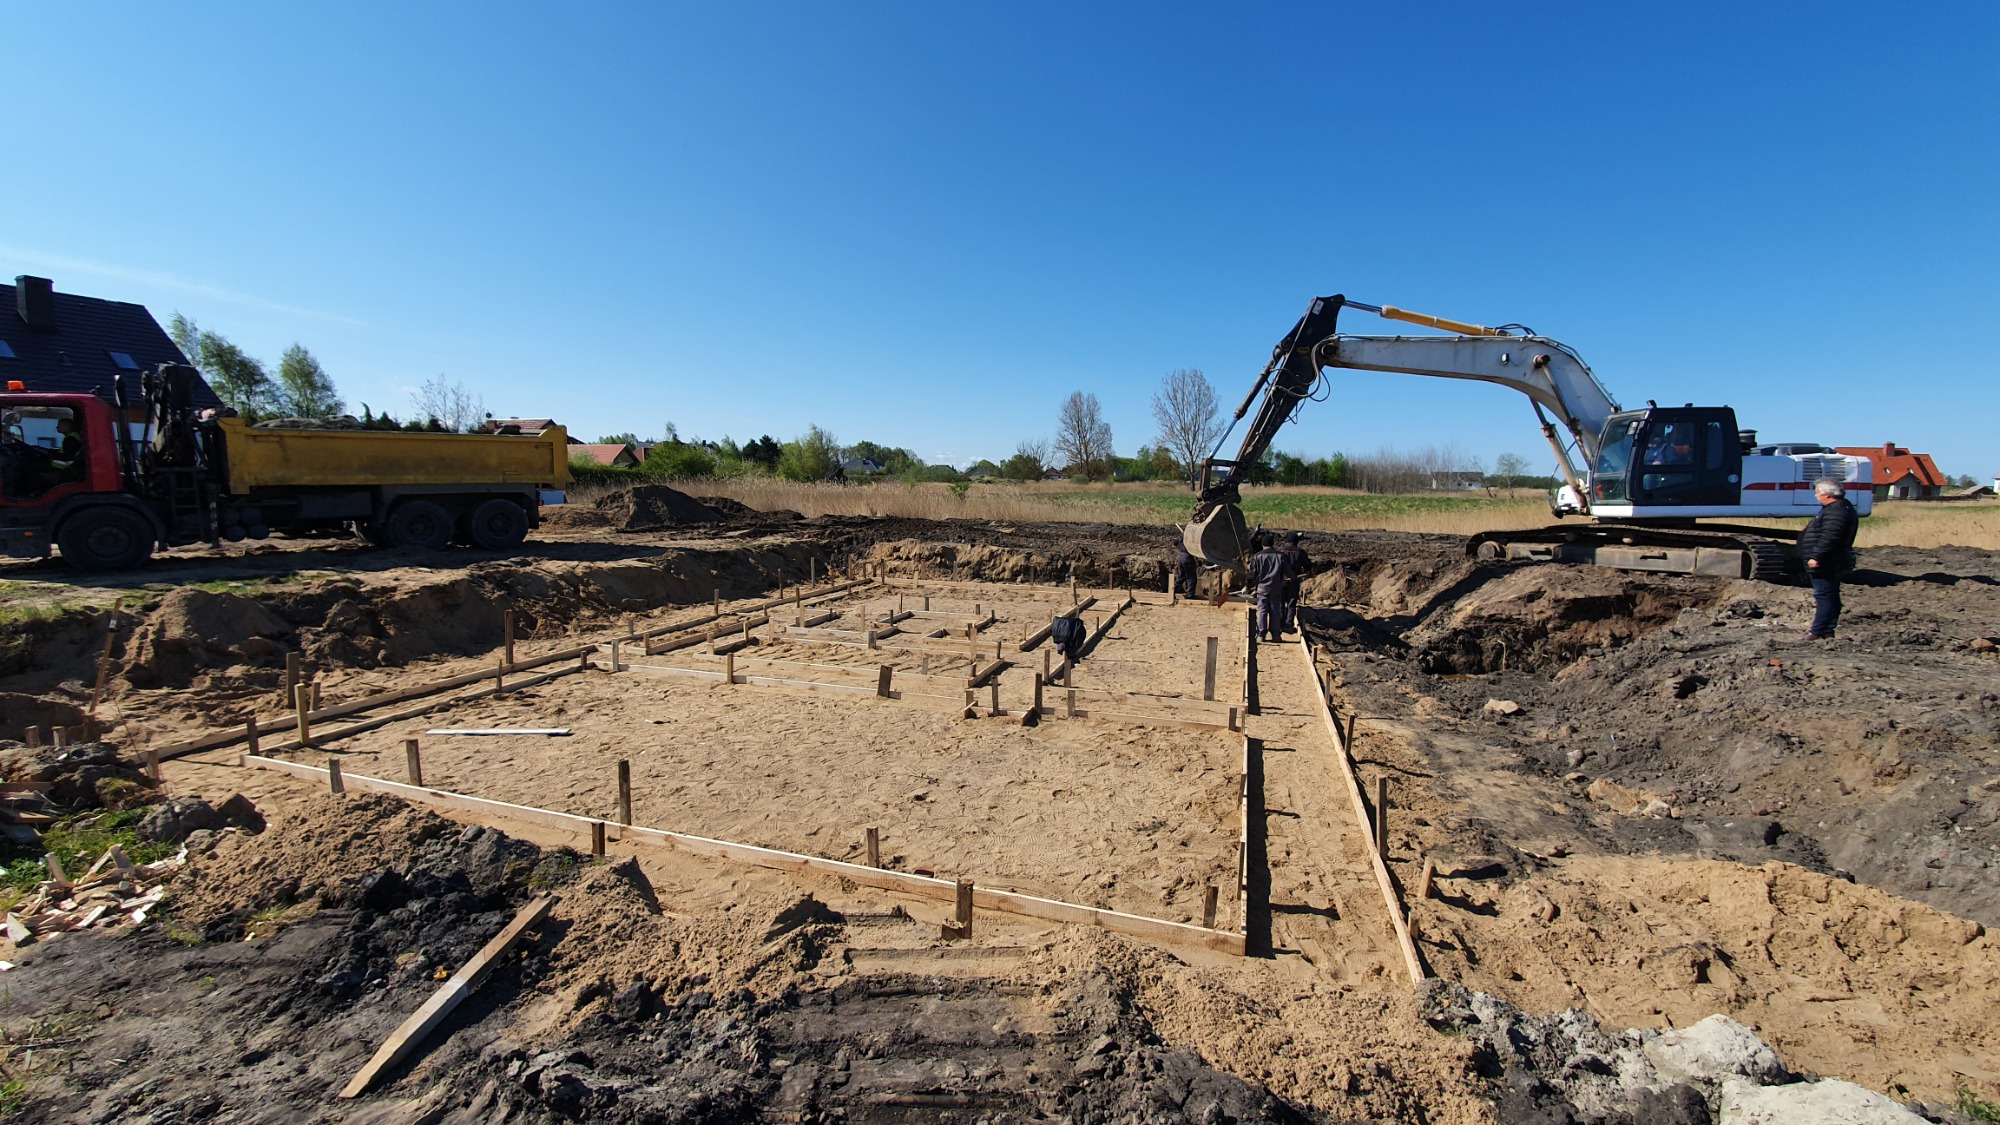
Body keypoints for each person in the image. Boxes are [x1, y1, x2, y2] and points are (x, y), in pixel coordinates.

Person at [1796, 478, 1859, 640]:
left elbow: (1830, 537)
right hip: (1830, 559)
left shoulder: (1836, 511)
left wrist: (1817, 556)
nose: (1816, 496)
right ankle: (1827, 630)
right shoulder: (1837, 509)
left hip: (1827, 561)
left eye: (1817, 492)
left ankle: (1818, 632)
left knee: (1824, 595)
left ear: (1827, 494)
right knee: (1829, 595)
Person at [1244, 531, 1293, 643]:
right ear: (1273, 543)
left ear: (1263, 544)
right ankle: (1276, 635)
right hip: (1276, 588)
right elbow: (1289, 572)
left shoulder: (1257, 557)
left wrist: (1248, 586)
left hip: (1262, 589)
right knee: (1275, 611)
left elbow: (1252, 574)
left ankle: (1261, 635)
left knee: (1262, 611)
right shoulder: (1281, 556)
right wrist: (1292, 579)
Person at [1276, 530, 1308, 634]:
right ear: (1296, 541)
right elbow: (1308, 566)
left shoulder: (1280, 552)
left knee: (1280, 603)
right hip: (1294, 581)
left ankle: (1280, 625)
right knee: (1291, 603)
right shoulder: (1300, 552)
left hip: (1281, 581)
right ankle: (1289, 625)